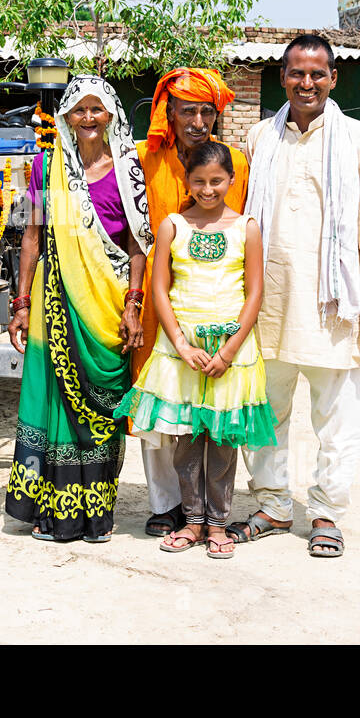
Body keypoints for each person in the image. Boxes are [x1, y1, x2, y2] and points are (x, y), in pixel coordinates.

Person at [237, 34, 360, 558]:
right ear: (281, 77)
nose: (307, 83)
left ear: (334, 78)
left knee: (338, 418)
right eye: (297, 73)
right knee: (263, 410)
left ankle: (328, 511)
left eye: (317, 74)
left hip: (335, 305)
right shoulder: (260, 138)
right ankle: (273, 504)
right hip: (270, 300)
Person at [5, 76, 151, 543]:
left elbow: (137, 243)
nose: (88, 118)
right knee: (55, 401)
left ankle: (97, 514)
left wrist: (133, 303)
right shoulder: (46, 166)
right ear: (66, 116)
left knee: (103, 401)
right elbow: (31, 235)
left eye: (98, 109)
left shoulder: (128, 168)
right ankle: (54, 512)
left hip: (107, 303)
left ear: (111, 115)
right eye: (79, 110)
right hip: (55, 296)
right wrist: (22, 302)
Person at [117, 141, 276, 558]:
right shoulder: (172, 225)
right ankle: (191, 521)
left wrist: (229, 351)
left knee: (223, 439)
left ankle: (219, 525)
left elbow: (255, 292)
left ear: (232, 180)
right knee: (186, 437)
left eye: (217, 181)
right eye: (199, 181)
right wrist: (181, 344)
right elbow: (159, 289)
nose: (208, 189)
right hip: (181, 350)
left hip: (232, 350)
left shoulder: (247, 227)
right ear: (186, 180)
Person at [133, 67, 250, 538]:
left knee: (216, 409)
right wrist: (134, 298)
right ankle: (167, 504)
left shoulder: (236, 162)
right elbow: (131, 233)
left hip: (218, 301)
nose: (198, 120)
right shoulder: (145, 157)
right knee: (163, 401)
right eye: (188, 110)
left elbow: (243, 230)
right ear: (170, 111)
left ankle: (209, 512)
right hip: (158, 299)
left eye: (208, 110)